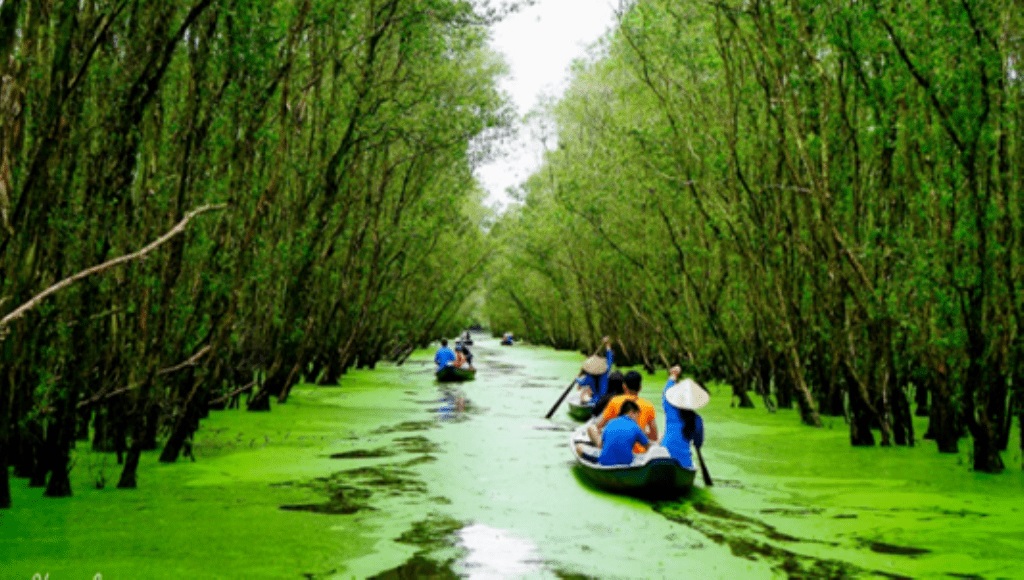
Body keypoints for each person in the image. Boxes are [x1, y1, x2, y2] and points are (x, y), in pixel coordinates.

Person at [588, 370, 658, 452]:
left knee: (591, 428)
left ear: (624, 386)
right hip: (640, 451)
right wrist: (643, 433)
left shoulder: (615, 401)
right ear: (640, 388)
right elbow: (654, 437)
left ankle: (601, 449)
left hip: (617, 449)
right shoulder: (648, 405)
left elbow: (599, 425)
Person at [576, 400, 649, 466]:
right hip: (627, 462)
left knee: (579, 447)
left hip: (605, 462)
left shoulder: (610, 422)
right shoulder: (636, 427)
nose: (637, 419)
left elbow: (601, 445)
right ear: (631, 413)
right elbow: (647, 447)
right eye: (637, 416)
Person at [661, 366, 708, 469]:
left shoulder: (670, 410)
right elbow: (698, 443)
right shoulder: (697, 420)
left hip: (664, 456)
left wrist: (673, 375)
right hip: (684, 462)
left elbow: (666, 392)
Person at [575, 336, 613, 404]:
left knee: (590, 400)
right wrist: (607, 344)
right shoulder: (606, 369)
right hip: (604, 399)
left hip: (595, 399)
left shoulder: (589, 377)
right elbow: (610, 356)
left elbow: (581, 383)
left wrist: (576, 378)